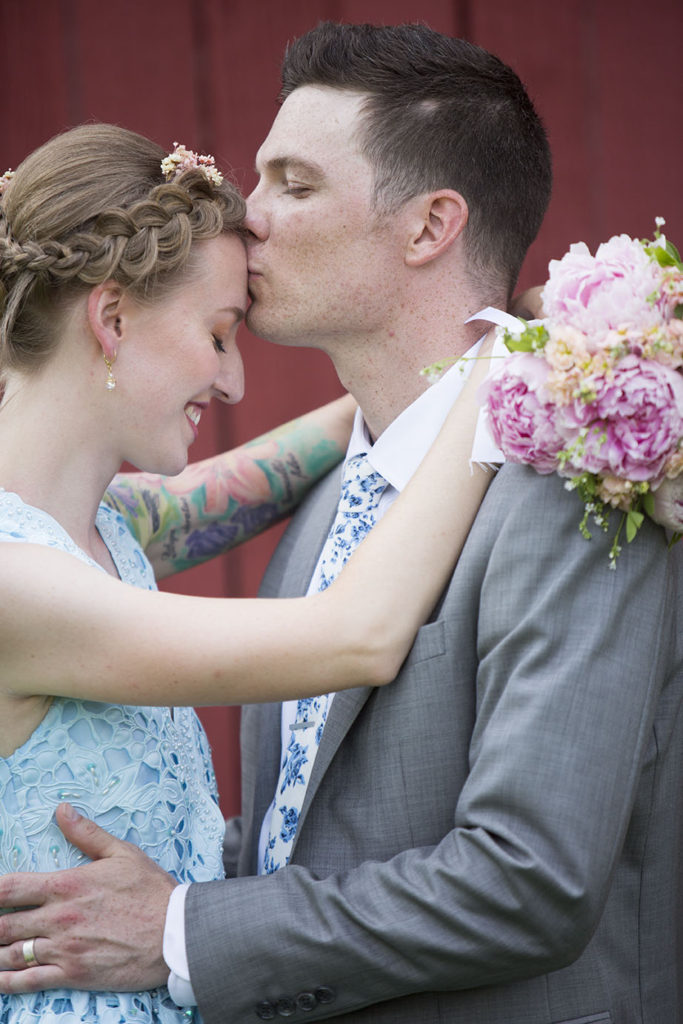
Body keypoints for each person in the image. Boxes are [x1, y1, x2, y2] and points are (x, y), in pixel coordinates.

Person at [1, 23, 682, 1024]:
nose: (251, 215)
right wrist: (504, 359)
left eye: (293, 182)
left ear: (427, 227)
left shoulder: (579, 481)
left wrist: (542, 356)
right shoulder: (314, 518)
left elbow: (531, 877)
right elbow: (308, 789)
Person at [0, 119, 496, 1024]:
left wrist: (407, 384)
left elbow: (236, 485)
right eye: (219, 334)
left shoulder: (102, 529)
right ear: (111, 318)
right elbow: (356, 634)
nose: (231, 382)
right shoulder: (12, 588)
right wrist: (497, 368)